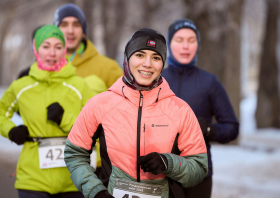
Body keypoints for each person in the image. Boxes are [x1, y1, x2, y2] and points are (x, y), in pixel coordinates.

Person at [64, 28, 208, 198]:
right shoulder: (100, 104)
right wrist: (96, 192)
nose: (147, 64)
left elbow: (199, 167)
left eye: (156, 57)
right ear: (127, 58)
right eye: (140, 55)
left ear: (162, 64)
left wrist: (168, 163)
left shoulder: (180, 109)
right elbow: (74, 154)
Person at [0, 25, 93, 198]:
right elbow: (1, 113)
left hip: (72, 180)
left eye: (58, 47)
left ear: (64, 49)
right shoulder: (21, 86)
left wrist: (64, 118)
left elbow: (94, 125)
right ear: (36, 49)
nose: (52, 53)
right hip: (32, 179)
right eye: (46, 46)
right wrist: (11, 130)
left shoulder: (79, 85)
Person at [162, 19, 239, 198]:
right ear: (169, 43)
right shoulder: (157, 80)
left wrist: (208, 130)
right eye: (179, 40)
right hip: (161, 172)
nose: (186, 46)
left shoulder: (209, 82)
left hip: (199, 174)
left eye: (191, 40)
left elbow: (232, 127)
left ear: (198, 44)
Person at [54, 3, 123, 94]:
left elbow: (128, 103)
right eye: (64, 25)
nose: (70, 31)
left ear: (83, 32)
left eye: (76, 25)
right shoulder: (44, 68)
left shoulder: (109, 68)